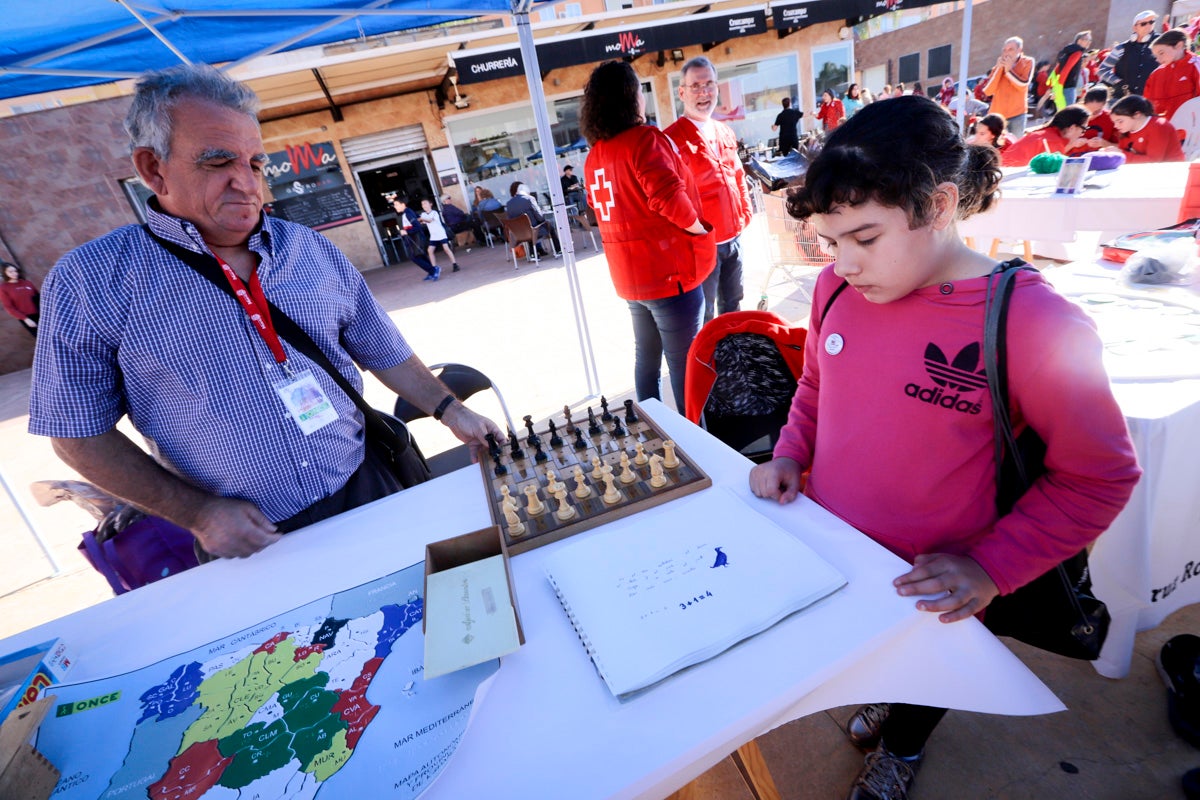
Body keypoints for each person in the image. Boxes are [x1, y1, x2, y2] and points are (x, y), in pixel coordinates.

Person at [747, 94, 1140, 800]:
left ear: (938, 205)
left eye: (865, 239)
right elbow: (815, 384)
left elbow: (1099, 476)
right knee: (873, 661)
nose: (844, 264)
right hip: (842, 557)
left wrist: (991, 566)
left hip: (940, 583)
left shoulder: (1032, 322)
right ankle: (882, 697)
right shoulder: (836, 290)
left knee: (929, 675)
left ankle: (903, 745)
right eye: (832, 242)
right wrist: (789, 449)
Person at [27, 64, 503, 561]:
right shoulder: (90, 281)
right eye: (217, 162)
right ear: (152, 168)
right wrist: (197, 514)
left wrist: (452, 410)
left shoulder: (308, 249)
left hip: (369, 483)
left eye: (254, 164)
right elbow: (76, 435)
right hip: (246, 537)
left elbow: (383, 348)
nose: (247, 183)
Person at [581, 60, 715, 412]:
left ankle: (655, 429)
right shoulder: (645, 140)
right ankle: (696, 441)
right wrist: (701, 229)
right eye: (639, 90)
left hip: (630, 277)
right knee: (686, 365)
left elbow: (597, 207)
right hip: (668, 274)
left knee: (647, 360)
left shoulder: (595, 155)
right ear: (630, 97)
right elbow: (669, 197)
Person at [665, 56, 753, 324]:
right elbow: (669, 196)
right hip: (702, 246)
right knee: (705, 314)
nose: (704, 92)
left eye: (709, 84)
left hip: (733, 237)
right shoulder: (670, 139)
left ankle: (734, 361)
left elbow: (737, 173)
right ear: (682, 92)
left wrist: (745, 211)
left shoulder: (725, 131)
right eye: (696, 86)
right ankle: (707, 364)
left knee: (734, 304)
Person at [1099, 11, 1161, 99]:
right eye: (1143, 24)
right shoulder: (1121, 48)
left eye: (1151, 22)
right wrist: (1118, 82)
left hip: (1150, 100)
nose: (1149, 26)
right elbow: (1102, 70)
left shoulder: (1161, 48)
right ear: (1134, 28)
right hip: (1123, 99)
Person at [1000, 105, 1089, 166]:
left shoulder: (1048, 134)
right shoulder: (1053, 142)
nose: (1082, 134)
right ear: (1072, 128)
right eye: (1083, 129)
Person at [1107, 93, 1186, 162]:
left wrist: (1121, 155)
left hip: (1171, 171)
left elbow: (1153, 162)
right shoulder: (1125, 129)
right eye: (1114, 122)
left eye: (1120, 121)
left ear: (1137, 115)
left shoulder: (1159, 126)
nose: (1116, 126)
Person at [982, 36, 1035, 135]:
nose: (1006, 52)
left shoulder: (1028, 62)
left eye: (1010, 49)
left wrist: (1009, 71)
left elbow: (1023, 85)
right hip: (997, 116)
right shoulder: (997, 67)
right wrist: (999, 69)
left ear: (1019, 50)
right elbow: (988, 91)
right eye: (1004, 50)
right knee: (997, 148)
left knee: (1015, 147)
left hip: (1017, 114)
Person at [1144, 29, 1200, 119]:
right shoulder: (1156, 74)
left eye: (1161, 53)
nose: (1158, 60)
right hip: (1164, 130)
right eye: (1156, 56)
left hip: (1192, 129)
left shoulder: (1196, 65)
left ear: (1179, 45)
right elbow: (1147, 107)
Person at [506, 181, 560, 255]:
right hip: (533, 231)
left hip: (519, 234)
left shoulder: (509, 204)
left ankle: (533, 254)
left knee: (530, 227)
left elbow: (510, 219)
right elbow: (540, 218)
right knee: (549, 225)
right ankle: (558, 249)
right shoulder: (529, 199)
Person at [391, 196, 439, 280]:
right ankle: (432, 271)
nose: (395, 207)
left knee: (414, 257)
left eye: (396, 205)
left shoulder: (408, 213)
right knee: (421, 255)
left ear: (403, 204)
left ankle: (433, 270)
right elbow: (418, 218)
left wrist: (406, 232)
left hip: (416, 238)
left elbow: (418, 226)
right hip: (415, 238)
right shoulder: (408, 211)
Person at [1068, 85, 1119, 153]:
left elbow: (1121, 148)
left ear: (1104, 105)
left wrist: (1104, 143)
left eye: (1096, 112)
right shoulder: (1071, 114)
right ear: (1083, 103)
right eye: (1088, 110)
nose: (1091, 115)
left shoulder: (1111, 119)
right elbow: (1054, 148)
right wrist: (1072, 144)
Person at [1051, 30, 1093, 106]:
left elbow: (1058, 68)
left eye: (1090, 40)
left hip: (1063, 87)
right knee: (1068, 114)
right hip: (1068, 88)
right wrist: (1058, 89)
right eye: (1087, 40)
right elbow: (1065, 70)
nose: (1089, 42)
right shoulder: (1077, 53)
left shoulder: (1068, 51)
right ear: (1079, 40)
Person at [419, 197, 460, 273]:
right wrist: (419, 220)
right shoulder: (423, 214)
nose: (424, 205)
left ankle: (455, 264)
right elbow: (422, 222)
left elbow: (430, 220)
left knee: (446, 249)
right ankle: (434, 268)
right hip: (433, 236)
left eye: (425, 203)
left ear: (430, 204)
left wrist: (421, 219)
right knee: (430, 250)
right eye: (422, 204)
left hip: (440, 233)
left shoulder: (434, 213)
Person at [1, 261, 39, 338]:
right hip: (27, 317)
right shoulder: (4, 288)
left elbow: (38, 297)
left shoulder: (27, 283)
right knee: (42, 338)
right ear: (5, 273)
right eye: (10, 272)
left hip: (41, 314)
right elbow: (9, 307)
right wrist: (25, 319)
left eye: (15, 271)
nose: (14, 273)